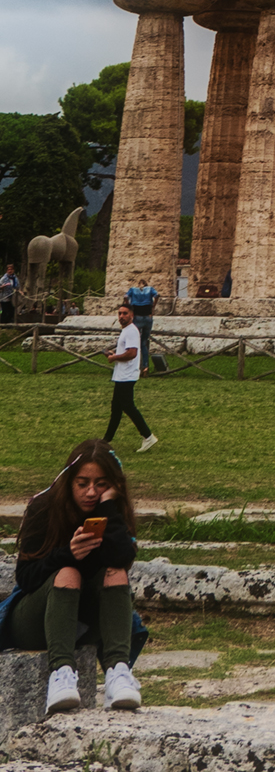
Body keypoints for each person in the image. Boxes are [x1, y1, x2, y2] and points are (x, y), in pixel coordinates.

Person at [0, 439, 143, 715]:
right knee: (69, 573)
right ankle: (61, 674)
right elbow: (26, 579)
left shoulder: (110, 509)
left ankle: (117, 672)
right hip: (35, 618)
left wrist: (108, 509)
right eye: (82, 483)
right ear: (69, 481)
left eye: (101, 484)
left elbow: (123, 558)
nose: (91, 491)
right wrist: (67, 554)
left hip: (85, 618)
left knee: (116, 573)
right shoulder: (43, 507)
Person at [104, 301, 157, 453]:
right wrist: (115, 355)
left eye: (125, 313)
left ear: (132, 315)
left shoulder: (132, 331)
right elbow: (127, 351)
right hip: (122, 374)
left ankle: (148, 436)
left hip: (127, 375)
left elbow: (132, 353)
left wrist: (114, 358)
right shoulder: (126, 331)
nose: (121, 316)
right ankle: (106, 440)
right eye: (120, 313)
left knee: (127, 406)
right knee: (116, 407)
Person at [124, 278, 159, 373]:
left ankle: (134, 365)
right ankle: (145, 366)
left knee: (134, 342)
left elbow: (126, 297)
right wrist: (153, 307)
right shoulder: (150, 289)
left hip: (137, 316)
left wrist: (129, 308)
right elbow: (157, 295)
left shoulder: (132, 290)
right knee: (144, 342)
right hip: (148, 317)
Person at [0, 261, 17, 326]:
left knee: (11, 310)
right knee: (6, 311)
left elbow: (17, 286)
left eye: (11, 269)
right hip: (4, 297)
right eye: (9, 269)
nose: (10, 271)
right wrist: (2, 287)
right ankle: (3, 325)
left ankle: (7, 323)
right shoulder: (3, 278)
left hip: (11, 297)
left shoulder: (14, 278)